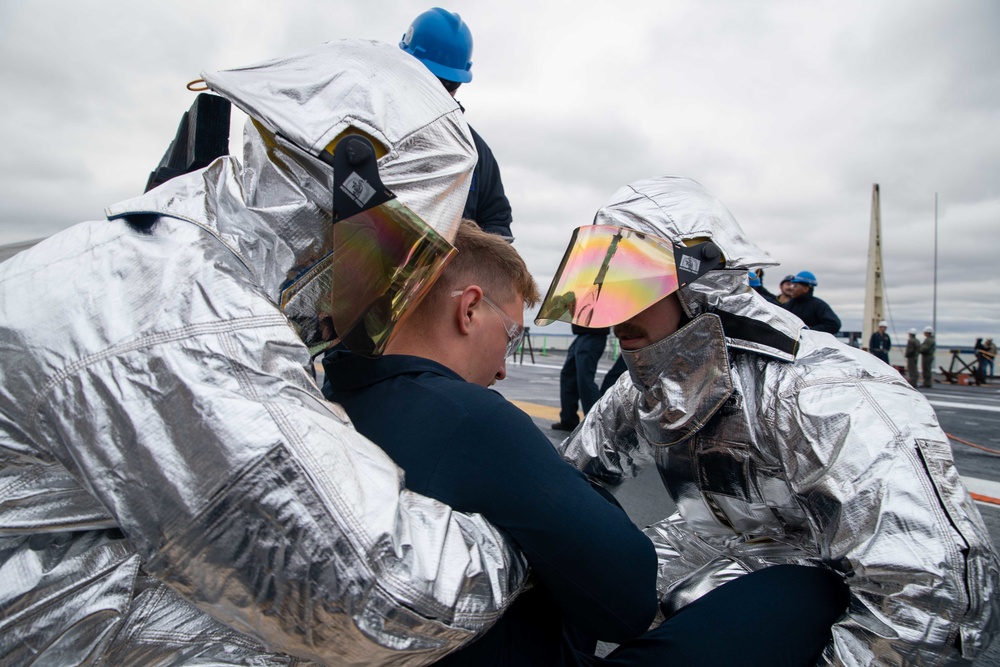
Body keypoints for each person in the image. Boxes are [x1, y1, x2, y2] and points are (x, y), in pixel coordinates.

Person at [0, 41, 530, 665]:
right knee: (290, 636)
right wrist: (524, 541)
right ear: (350, 200)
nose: (393, 281)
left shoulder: (166, 254)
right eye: (401, 247)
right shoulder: (187, 319)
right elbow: (379, 592)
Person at [325, 219, 849, 666]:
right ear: (468, 310)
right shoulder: (469, 417)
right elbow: (626, 602)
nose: (506, 369)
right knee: (806, 590)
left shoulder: (330, 399)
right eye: (513, 336)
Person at [534, 176, 1000, 666]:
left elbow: (937, 595)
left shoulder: (827, 393)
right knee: (558, 587)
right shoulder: (641, 385)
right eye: (602, 286)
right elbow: (570, 488)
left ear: (700, 285)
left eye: (630, 285)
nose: (611, 311)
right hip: (712, 545)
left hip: (829, 585)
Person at [400, 8, 514, 240]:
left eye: (447, 85)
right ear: (406, 69)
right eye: (429, 80)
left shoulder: (476, 153)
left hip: (441, 274)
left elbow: (496, 222)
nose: (437, 93)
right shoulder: (366, 127)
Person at [552, 324, 610, 431]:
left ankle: (598, 424)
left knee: (585, 380)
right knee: (568, 376)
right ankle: (569, 420)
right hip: (583, 335)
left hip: (593, 334)